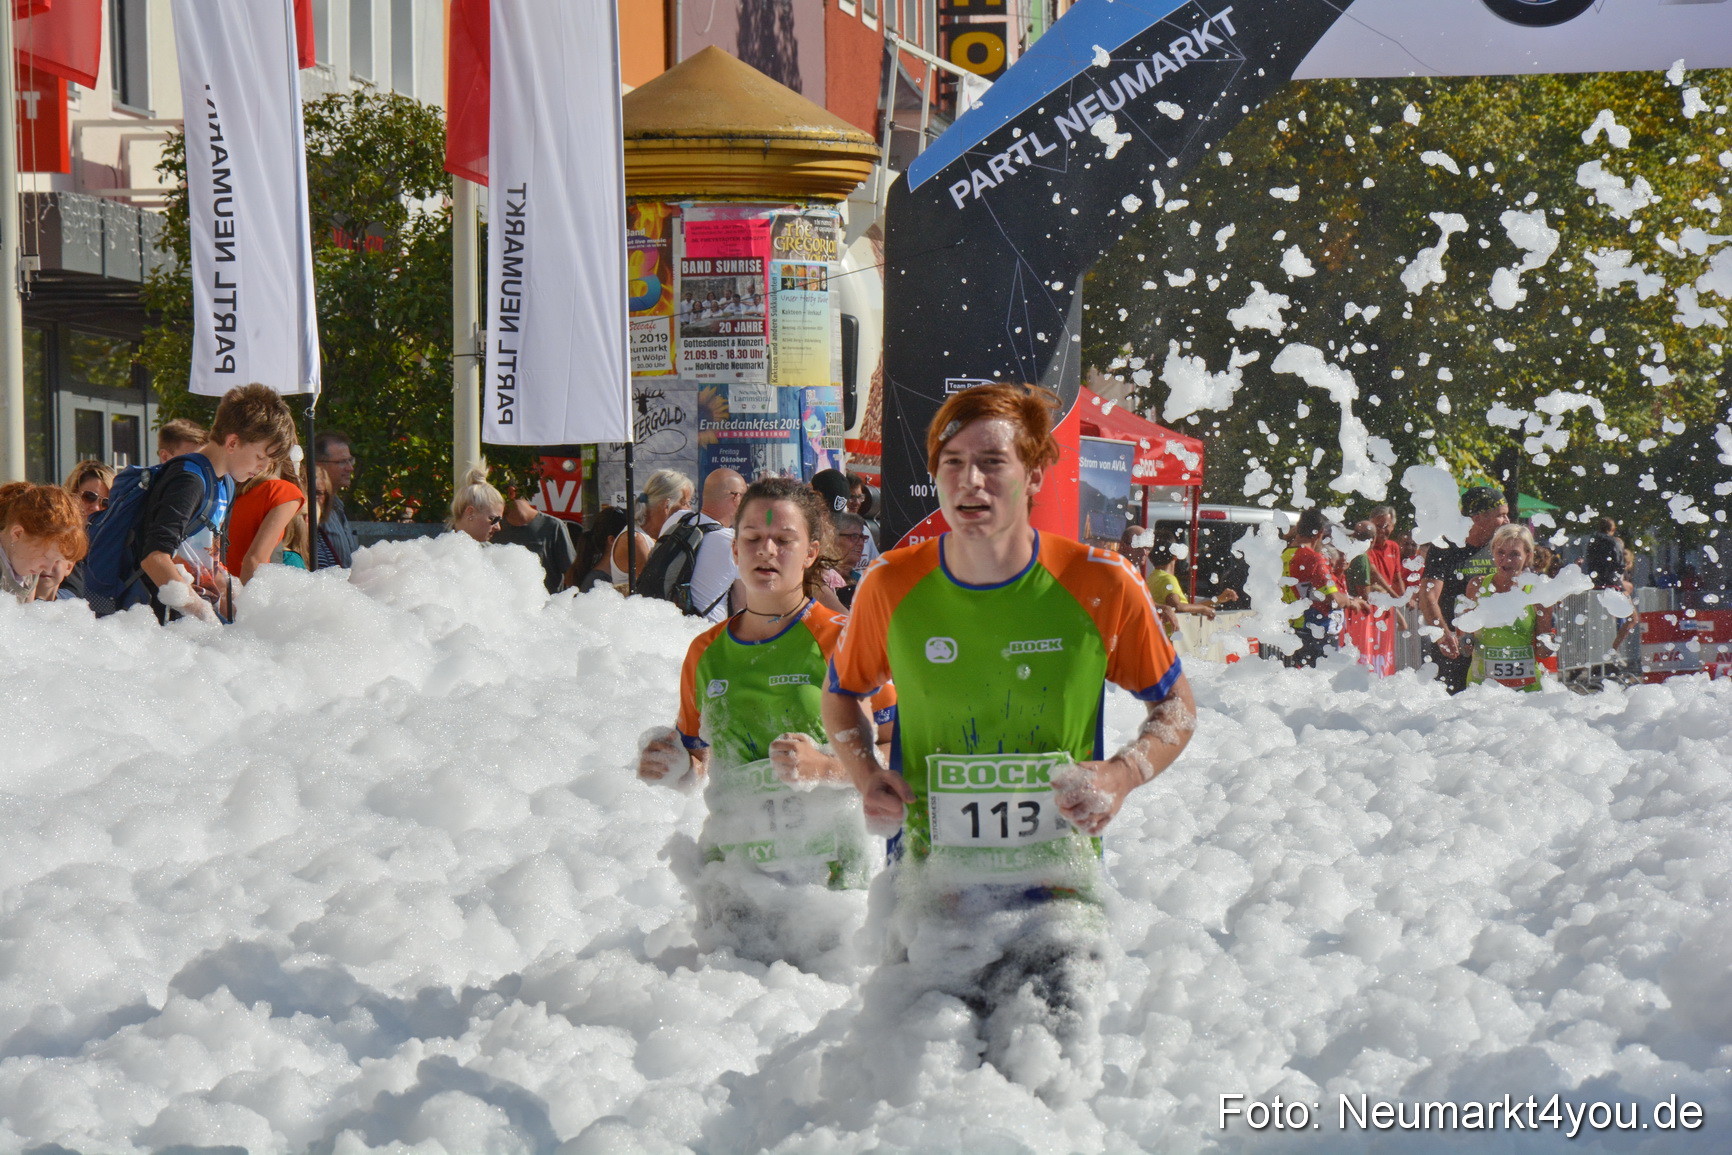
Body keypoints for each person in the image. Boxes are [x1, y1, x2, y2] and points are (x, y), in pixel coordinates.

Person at [822, 383, 1196, 1104]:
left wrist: (1120, 775)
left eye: (992, 461)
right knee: (919, 1100)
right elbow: (842, 691)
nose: (969, 481)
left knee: (1041, 1094)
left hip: (1054, 899)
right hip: (931, 894)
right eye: (952, 462)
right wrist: (865, 770)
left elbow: (1175, 707)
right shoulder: (891, 585)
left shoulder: (1100, 585)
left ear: (1034, 473)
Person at [637, 477, 896, 969]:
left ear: (811, 551)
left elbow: (897, 753)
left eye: (784, 540)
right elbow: (697, 756)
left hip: (826, 889)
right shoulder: (706, 652)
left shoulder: (841, 639)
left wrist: (824, 767)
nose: (767, 551)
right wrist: (670, 762)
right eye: (753, 538)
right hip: (733, 885)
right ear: (734, 550)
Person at [137, 384, 294, 622]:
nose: (264, 467)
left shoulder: (226, 484)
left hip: (193, 622)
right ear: (232, 443)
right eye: (260, 456)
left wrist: (244, 615)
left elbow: (214, 564)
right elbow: (155, 558)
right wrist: (202, 614)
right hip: (164, 624)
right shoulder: (188, 480)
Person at [1417, 485, 1509, 693]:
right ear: (1478, 518)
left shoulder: (1500, 549)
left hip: (1492, 647)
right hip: (1454, 647)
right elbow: (1428, 595)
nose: (1507, 522)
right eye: (1501, 516)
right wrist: (1442, 632)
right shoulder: (1445, 548)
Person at [1462, 524, 1554, 692]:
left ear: (1528, 556)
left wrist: (1549, 641)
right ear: (1493, 553)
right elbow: (1465, 635)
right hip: (1483, 690)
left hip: (1526, 688)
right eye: (1501, 553)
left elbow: (1543, 652)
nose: (1506, 560)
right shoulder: (1477, 586)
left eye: (1514, 554)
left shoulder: (1537, 592)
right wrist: (1463, 641)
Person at [1284, 509, 1370, 668]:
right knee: (1322, 685)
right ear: (1320, 533)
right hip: (1317, 634)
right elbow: (1334, 599)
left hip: (1296, 630)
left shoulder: (1285, 554)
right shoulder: (1312, 557)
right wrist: (1352, 602)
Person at [659, 468, 746, 620]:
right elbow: (742, 605)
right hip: (706, 633)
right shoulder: (732, 542)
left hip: (666, 625)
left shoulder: (678, 519)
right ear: (736, 498)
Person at [0, 483, 87, 604]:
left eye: (57, 560)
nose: (48, 568)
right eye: (45, 556)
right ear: (17, 534)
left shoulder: (28, 569)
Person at [226, 457, 308, 583]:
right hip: (246, 589)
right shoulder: (282, 491)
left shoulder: (226, 489)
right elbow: (255, 560)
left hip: (217, 587)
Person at [613, 468, 691, 587]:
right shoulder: (636, 540)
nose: (689, 509)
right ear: (667, 505)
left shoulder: (654, 537)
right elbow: (656, 585)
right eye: (685, 503)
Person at [493, 496, 578, 594]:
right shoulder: (494, 528)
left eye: (495, 496)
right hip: (506, 604)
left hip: (546, 605)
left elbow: (572, 575)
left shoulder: (552, 526)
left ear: (511, 492)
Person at [313, 430, 360, 568]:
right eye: (342, 462)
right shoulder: (312, 507)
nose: (350, 468)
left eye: (350, 460)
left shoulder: (337, 507)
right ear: (319, 465)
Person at [568, 507, 631, 593]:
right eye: (629, 537)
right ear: (612, 540)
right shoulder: (596, 583)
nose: (637, 542)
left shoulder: (608, 578)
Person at [449, 467, 505, 543]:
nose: (498, 527)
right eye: (494, 519)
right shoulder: (437, 549)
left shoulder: (490, 551)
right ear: (470, 512)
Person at [1582, 517, 1625, 591]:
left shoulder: (1593, 542)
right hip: (1611, 581)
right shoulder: (1614, 542)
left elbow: (1589, 560)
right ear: (1613, 529)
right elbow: (1619, 563)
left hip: (1595, 581)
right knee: (1626, 596)